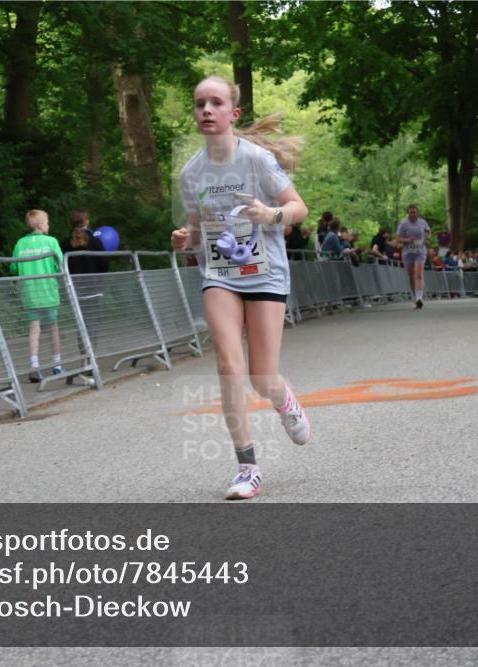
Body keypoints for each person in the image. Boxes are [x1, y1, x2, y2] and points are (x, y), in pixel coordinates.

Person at [171, 75, 311, 500]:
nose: (206, 110)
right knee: (229, 366)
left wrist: (270, 215)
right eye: (199, 104)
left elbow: (299, 209)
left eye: (215, 103)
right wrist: (184, 239)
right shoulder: (192, 173)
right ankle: (248, 468)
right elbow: (196, 230)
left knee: (261, 376)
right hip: (219, 276)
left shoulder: (255, 160)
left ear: (233, 114)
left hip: (265, 273)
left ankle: (283, 400)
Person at [12, 209, 64, 382]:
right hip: (48, 292)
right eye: (47, 222)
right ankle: (57, 365)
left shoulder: (20, 243)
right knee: (53, 328)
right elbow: (60, 265)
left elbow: (13, 268)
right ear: (42, 224)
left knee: (34, 330)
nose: (49, 225)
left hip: (29, 294)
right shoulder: (51, 241)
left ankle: (34, 366)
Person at [60, 208, 107, 387]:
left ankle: (85, 358)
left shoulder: (64, 243)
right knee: (91, 323)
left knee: (80, 324)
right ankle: (90, 360)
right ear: (87, 221)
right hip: (93, 289)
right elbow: (104, 264)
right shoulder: (96, 242)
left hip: (74, 290)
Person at [396, 204, 431, 309]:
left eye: (414, 212)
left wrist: (427, 239)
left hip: (420, 252)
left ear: (417, 213)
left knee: (419, 274)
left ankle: (419, 298)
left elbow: (428, 231)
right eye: (410, 212)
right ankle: (415, 297)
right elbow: (398, 239)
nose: (412, 214)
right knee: (411, 276)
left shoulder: (422, 222)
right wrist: (407, 240)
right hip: (408, 253)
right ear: (408, 213)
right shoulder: (403, 224)